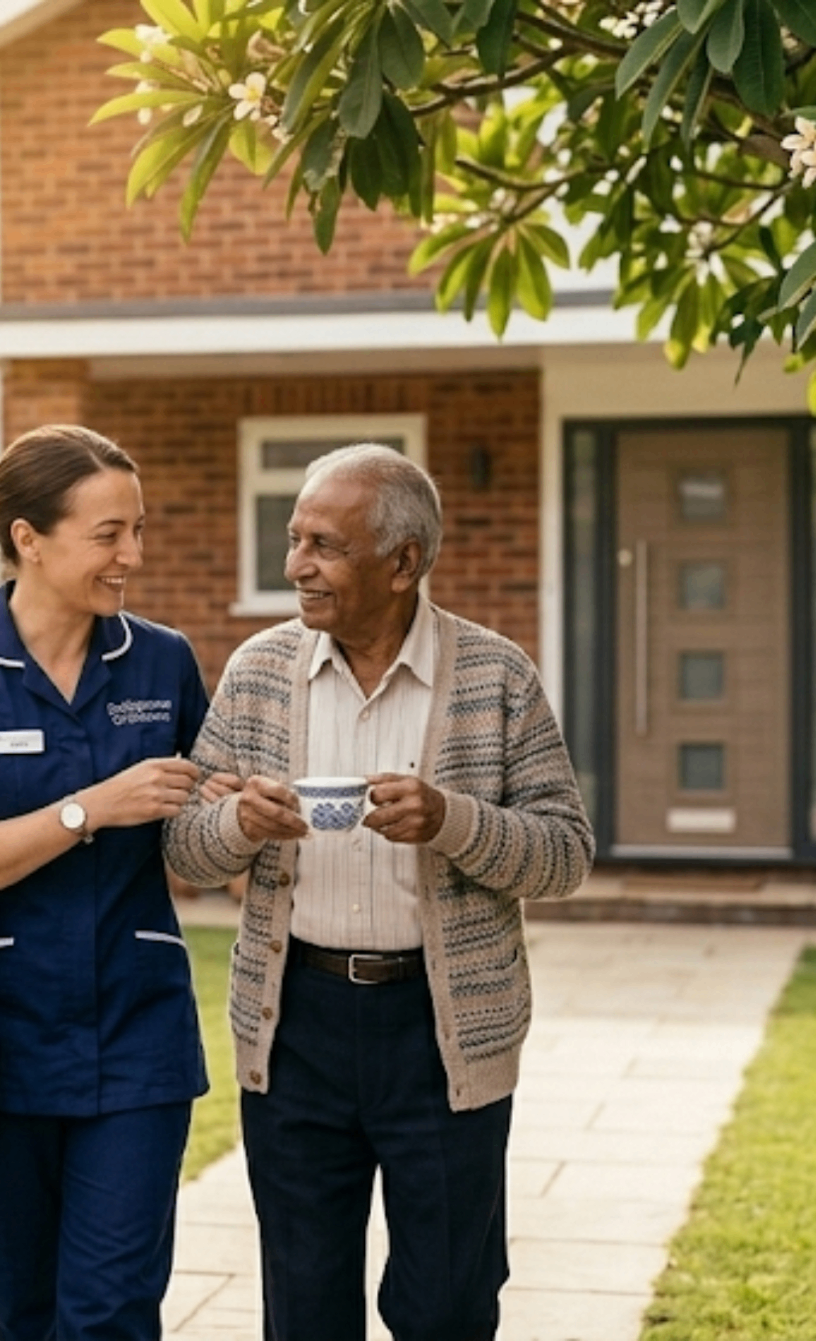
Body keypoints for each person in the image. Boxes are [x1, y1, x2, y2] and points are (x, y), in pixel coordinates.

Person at [163, 443, 594, 1341]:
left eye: (323, 544)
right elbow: (186, 851)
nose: (295, 566)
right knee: (306, 1303)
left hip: (442, 1032)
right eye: (294, 539)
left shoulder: (496, 675)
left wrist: (451, 820)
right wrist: (240, 824)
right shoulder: (257, 671)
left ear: (403, 563)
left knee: (446, 1303)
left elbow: (565, 855)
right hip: (295, 1023)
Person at [0, 423, 229, 1341]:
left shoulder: (161, 662)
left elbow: (203, 824)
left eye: (139, 529)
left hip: (138, 1029)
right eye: (109, 533)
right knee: (14, 1306)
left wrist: (241, 810)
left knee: (114, 1308)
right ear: (28, 538)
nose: (134, 556)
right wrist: (90, 808)